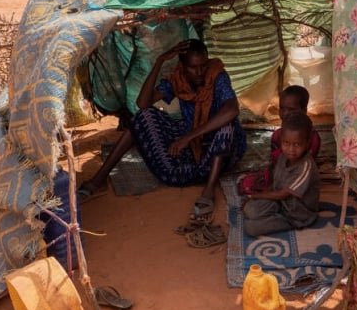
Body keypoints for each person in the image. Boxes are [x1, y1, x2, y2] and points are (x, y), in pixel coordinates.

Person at [78, 39, 246, 231]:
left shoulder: (217, 75)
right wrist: (159, 61)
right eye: (193, 67)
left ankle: (209, 189)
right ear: (182, 66)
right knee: (144, 117)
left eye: (202, 66)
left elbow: (232, 110)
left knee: (227, 126)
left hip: (223, 153)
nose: (199, 72)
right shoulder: (178, 80)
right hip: (194, 151)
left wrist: (188, 137)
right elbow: (143, 104)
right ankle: (99, 179)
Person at [242, 111, 321, 237]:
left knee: (250, 228)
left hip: (296, 215)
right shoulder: (283, 157)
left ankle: (282, 220)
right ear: (281, 140)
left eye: (297, 144)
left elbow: (283, 194)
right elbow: (275, 183)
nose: (290, 149)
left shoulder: (306, 166)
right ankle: (272, 212)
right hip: (280, 203)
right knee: (250, 210)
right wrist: (260, 197)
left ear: (307, 142)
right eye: (286, 143)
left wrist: (256, 196)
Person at [238, 84, 321, 195]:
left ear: (304, 110)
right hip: (279, 172)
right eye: (282, 108)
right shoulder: (277, 135)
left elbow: (303, 163)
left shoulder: (313, 138)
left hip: (296, 177)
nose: (285, 113)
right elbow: (275, 162)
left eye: (291, 109)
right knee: (249, 183)